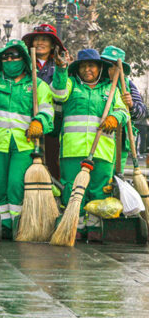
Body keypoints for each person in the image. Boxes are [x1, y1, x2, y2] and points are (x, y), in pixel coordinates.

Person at [0, 39, 54, 238]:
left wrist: (39, 122)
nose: (9, 60)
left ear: (23, 60)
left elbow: (48, 111)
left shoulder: (37, 84)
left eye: (13, 56)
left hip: (23, 142)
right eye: (5, 57)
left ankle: (17, 223)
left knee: (16, 183)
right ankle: (5, 225)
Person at [51, 48, 129, 237]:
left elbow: (123, 111)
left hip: (102, 150)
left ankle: (94, 226)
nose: (87, 70)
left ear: (99, 68)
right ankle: (74, 226)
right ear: (77, 69)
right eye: (84, 66)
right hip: (72, 150)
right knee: (72, 189)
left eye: (91, 66)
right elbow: (58, 94)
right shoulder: (71, 85)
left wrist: (115, 117)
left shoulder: (109, 89)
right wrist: (61, 70)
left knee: (99, 189)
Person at [22, 23, 66, 179]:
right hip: (25, 117)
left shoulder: (59, 66)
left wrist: (62, 70)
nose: (40, 43)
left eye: (45, 40)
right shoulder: (23, 64)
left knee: (51, 160)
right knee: (25, 159)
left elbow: (61, 94)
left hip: (52, 122)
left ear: (53, 45)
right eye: (37, 39)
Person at [100, 46, 147, 175]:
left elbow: (142, 113)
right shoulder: (93, 82)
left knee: (115, 178)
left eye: (114, 65)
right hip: (98, 139)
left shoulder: (127, 84)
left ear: (120, 68)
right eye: (106, 63)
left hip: (119, 141)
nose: (109, 68)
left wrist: (131, 104)